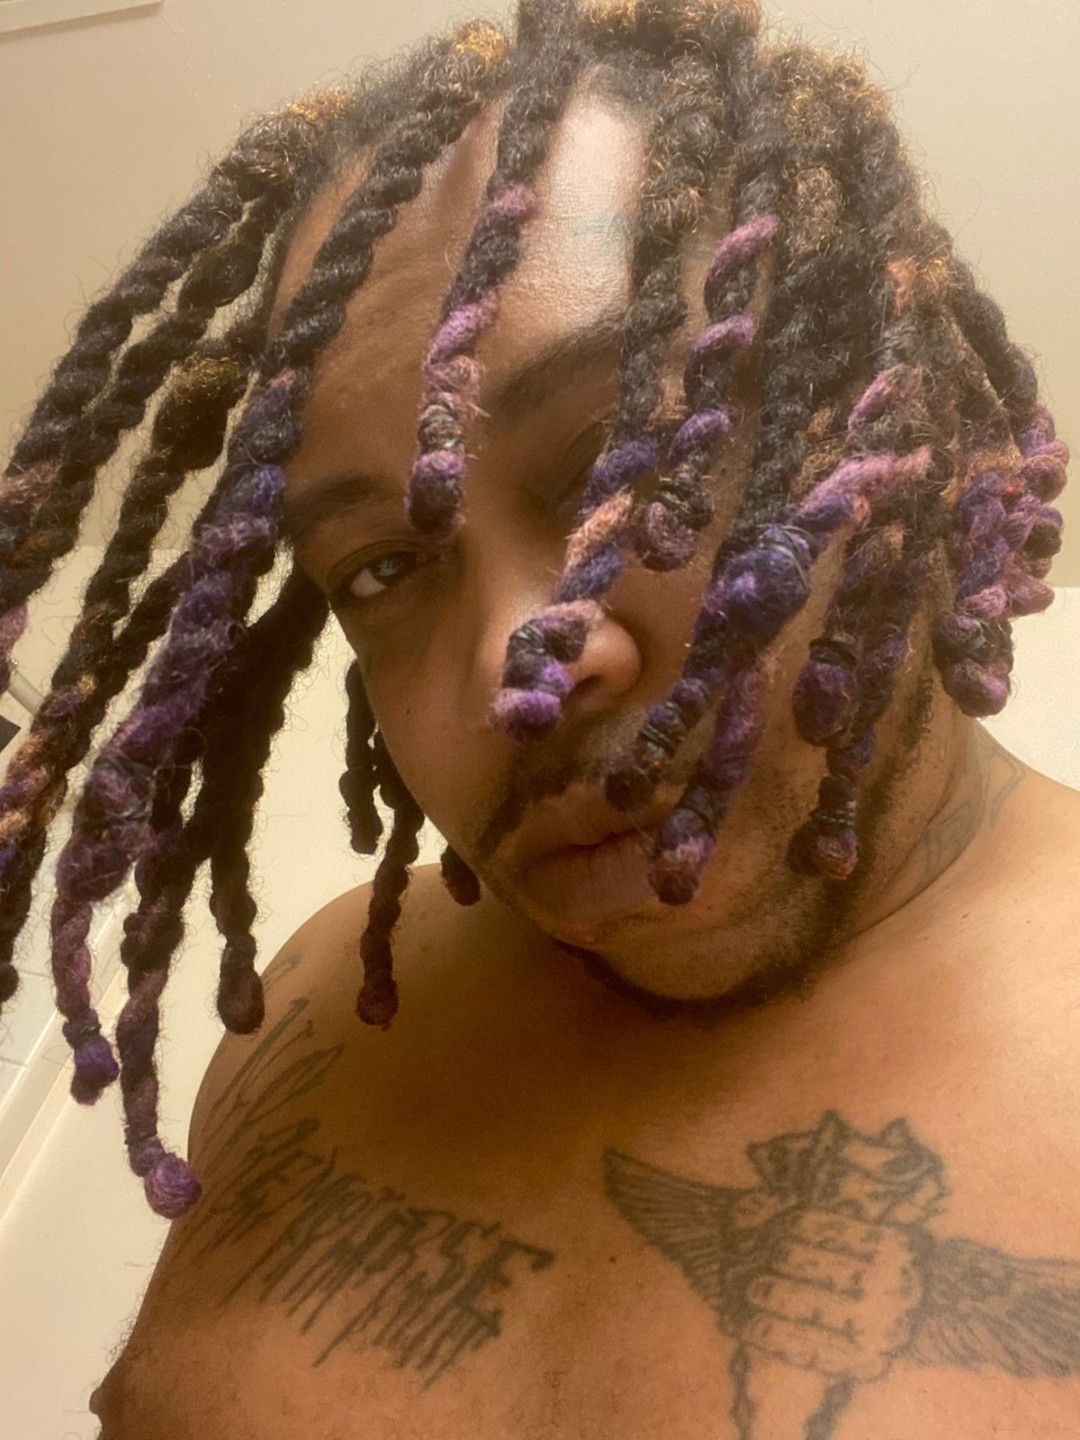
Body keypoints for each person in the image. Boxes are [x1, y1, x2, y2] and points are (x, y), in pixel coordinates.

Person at [1, 0, 1077, 1434]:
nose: (514, 672)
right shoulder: (319, 1003)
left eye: (626, 460)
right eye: (381, 569)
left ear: (904, 426)